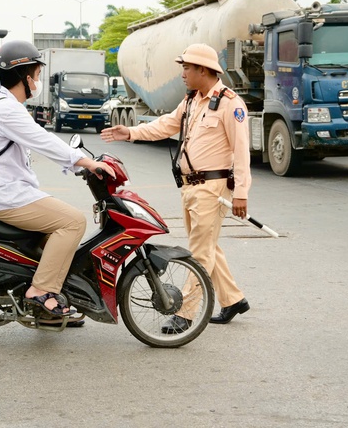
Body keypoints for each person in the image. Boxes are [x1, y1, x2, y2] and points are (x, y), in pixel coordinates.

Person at [101, 43, 252, 333]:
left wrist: (242, 192)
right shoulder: (193, 101)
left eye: (186, 68)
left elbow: (242, 151)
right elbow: (165, 126)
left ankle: (186, 313)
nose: (182, 73)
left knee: (199, 253)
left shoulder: (230, 103)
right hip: (190, 187)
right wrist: (130, 132)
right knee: (207, 246)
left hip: (212, 186)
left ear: (203, 70)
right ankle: (233, 299)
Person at [0, 40, 115, 320]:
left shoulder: (4, 105)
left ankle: (47, 309)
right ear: (25, 77)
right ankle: (41, 291)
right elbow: (44, 140)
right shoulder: (7, 109)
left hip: (9, 192)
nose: (38, 81)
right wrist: (86, 161)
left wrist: (78, 165)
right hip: (4, 196)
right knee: (73, 221)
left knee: (57, 233)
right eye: (37, 75)